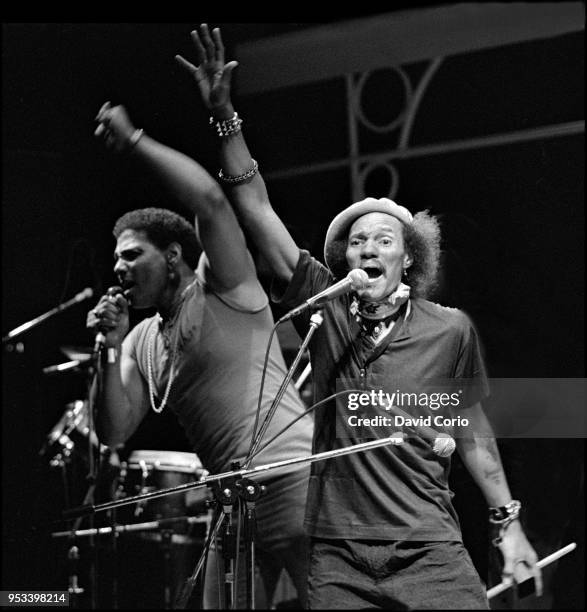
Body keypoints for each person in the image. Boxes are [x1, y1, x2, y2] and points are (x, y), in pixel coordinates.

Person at [177, 23, 544, 610]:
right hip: (338, 555)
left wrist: (508, 524)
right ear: (343, 258)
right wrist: (225, 116)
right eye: (356, 241)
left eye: (382, 239)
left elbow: (473, 432)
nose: (368, 248)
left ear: (409, 257)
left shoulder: (449, 328)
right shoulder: (326, 308)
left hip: (429, 549)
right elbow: (253, 205)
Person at [88, 100, 313, 608]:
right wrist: (108, 345)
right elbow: (113, 430)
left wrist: (135, 141)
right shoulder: (142, 338)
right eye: (115, 259)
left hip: (293, 480)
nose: (118, 268)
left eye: (131, 255)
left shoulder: (221, 285)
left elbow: (212, 201)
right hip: (232, 502)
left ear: (171, 257)